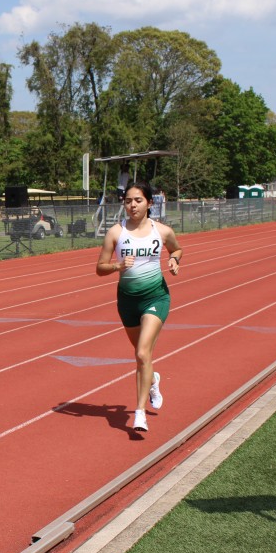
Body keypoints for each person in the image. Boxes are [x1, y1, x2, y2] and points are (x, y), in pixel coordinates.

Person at [96, 180, 183, 433]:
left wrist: (174, 261)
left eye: (138, 200)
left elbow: (177, 250)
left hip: (156, 297)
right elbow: (100, 268)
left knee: (143, 354)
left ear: (149, 203)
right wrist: (118, 266)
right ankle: (153, 378)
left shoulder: (162, 231)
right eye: (128, 201)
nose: (132, 205)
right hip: (127, 301)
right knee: (142, 355)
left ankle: (140, 412)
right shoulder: (116, 233)